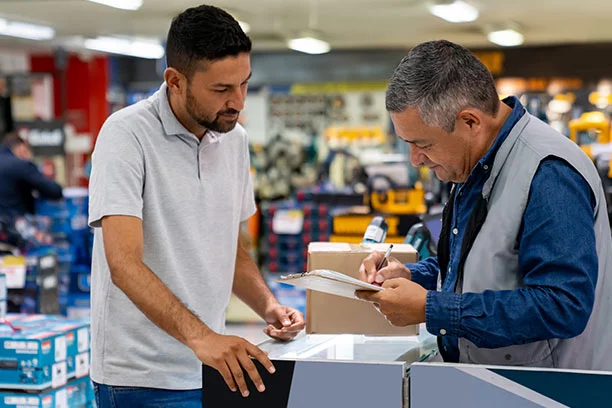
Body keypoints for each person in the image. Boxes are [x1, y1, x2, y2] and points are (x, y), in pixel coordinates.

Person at [88, 5, 305, 407]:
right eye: (222, 90)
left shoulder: (234, 139)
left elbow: (229, 246)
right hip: (141, 377)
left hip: (213, 368)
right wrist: (202, 337)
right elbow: (123, 263)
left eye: (244, 84)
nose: (238, 102)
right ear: (175, 81)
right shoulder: (126, 136)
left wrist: (268, 305)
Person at [357, 40, 612, 370]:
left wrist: (431, 308)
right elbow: (480, 272)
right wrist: (412, 276)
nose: (415, 159)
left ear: (470, 122)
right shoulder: (478, 164)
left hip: (548, 392)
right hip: (491, 383)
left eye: (422, 144)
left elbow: (563, 305)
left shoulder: (548, 173)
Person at [0, 132, 63, 218]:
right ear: (21, 148)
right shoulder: (20, 165)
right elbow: (54, 190)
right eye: (26, 151)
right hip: (15, 224)